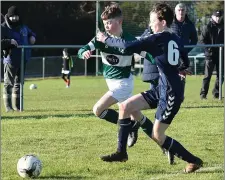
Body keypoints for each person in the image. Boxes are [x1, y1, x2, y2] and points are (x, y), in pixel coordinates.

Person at [97, 3, 203, 173]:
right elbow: (184, 58)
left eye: (152, 21)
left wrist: (106, 39)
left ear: (162, 22)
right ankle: (121, 152)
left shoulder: (157, 38)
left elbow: (127, 46)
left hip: (171, 94)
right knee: (125, 106)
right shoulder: (175, 38)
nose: (150, 25)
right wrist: (181, 68)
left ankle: (194, 160)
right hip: (162, 87)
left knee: (158, 136)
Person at [78, 3, 141, 147]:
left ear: (119, 21)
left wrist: (162, 63)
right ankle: (164, 143)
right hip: (112, 83)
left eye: (109, 22)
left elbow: (147, 54)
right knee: (138, 116)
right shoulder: (101, 39)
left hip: (123, 84)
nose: (106, 26)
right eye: (105, 23)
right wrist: (84, 53)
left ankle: (131, 127)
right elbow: (83, 49)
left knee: (98, 110)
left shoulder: (129, 40)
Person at [1, 5, 36, 112]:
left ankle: (18, 106)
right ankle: (8, 107)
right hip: (11, 60)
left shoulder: (23, 27)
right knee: (8, 84)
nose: (15, 19)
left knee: (19, 83)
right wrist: (9, 42)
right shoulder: (3, 27)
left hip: (23, 59)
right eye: (13, 17)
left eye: (17, 16)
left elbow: (31, 33)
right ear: (8, 16)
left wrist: (32, 37)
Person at [170, 3, 197, 89]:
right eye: (179, 10)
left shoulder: (190, 25)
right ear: (175, 11)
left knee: (181, 79)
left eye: (183, 10)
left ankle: (179, 97)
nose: (181, 12)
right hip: (171, 55)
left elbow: (194, 40)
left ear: (185, 11)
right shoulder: (169, 23)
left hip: (183, 57)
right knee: (170, 78)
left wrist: (186, 50)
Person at [199, 10, 224, 99]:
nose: (218, 18)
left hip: (221, 55)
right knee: (207, 76)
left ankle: (216, 93)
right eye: (216, 16)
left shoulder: (223, 27)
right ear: (212, 17)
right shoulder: (207, 27)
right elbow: (202, 41)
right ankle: (203, 95)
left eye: (219, 16)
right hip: (210, 55)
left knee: (221, 75)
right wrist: (207, 50)